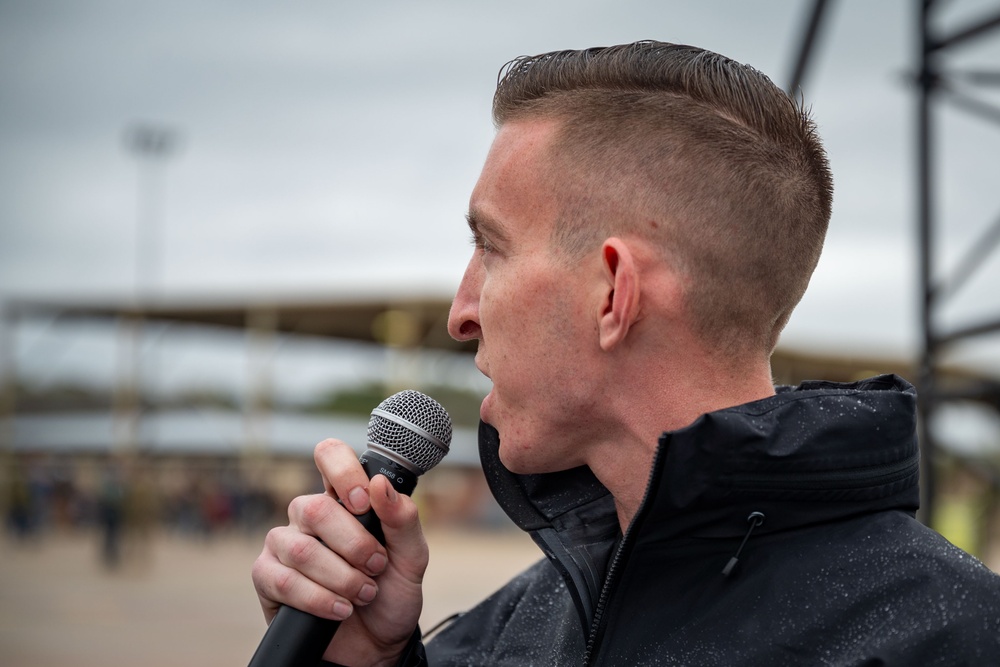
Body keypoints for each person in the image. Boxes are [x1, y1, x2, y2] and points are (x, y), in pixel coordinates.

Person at [252, 40, 1000, 665]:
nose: (461, 314)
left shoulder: (950, 638)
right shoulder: (524, 623)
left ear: (614, 291)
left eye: (491, 248)